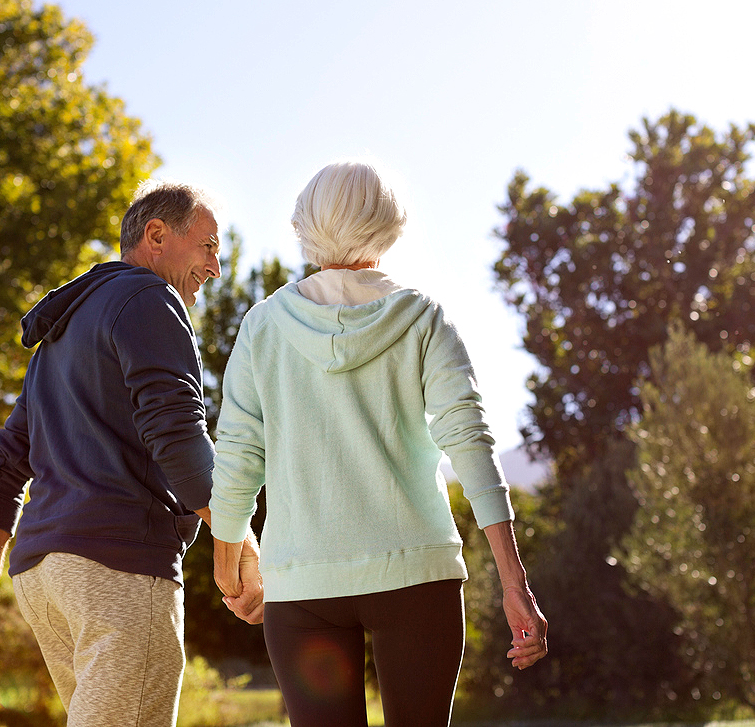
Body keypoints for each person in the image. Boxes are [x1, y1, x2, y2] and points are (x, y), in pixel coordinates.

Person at [208, 161, 548, 727]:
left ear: (305, 225)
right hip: (417, 577)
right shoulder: (422, 318)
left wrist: (229, 566)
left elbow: (239, 454)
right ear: (390, 224)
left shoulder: (263, 326)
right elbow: (469, 440)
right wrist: (515, 582)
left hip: (302, 585)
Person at [0, 180, 264, 727]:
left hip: (45, 577)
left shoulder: (61, 334)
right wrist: (241, 540)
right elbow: (178, 437)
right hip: (119, 569)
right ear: (156, 235)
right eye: (208, 246)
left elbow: (4, 463)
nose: (215, 267)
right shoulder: (150, 298)